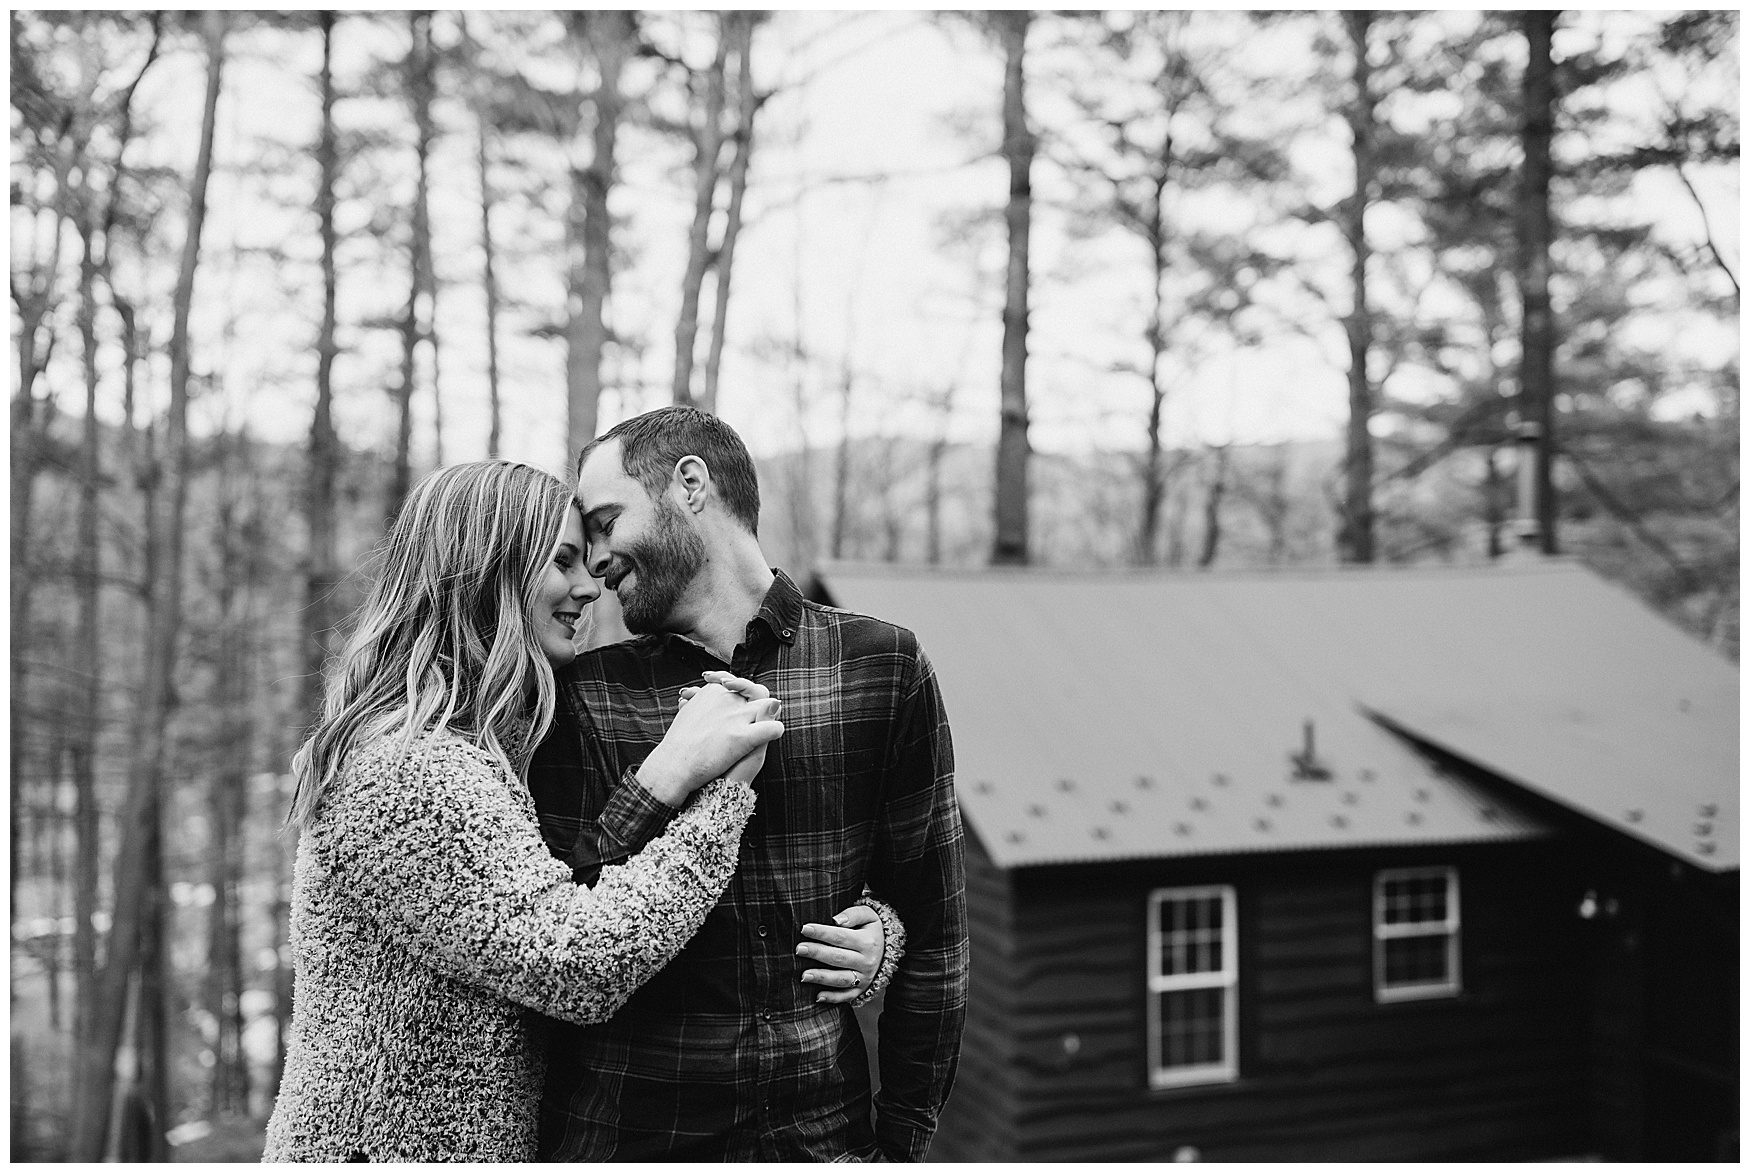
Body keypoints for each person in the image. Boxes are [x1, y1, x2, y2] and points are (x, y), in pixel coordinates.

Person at [261, 460, 893, 1162]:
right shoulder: (408, 767)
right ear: (487, 573)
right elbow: (577, 962)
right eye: (561, 560)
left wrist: (877, 931)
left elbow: (559, 888)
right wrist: (713, 788)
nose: (589, 584)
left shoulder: (481, 745)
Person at [530, 407, 968, 1162]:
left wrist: (899, 1145)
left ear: (690, 485)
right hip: (624, 1142)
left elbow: (936, 934)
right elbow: (551, 933)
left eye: (606, 521)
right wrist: (661, 780)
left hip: (824, 1143)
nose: (596, 563)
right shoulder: (584, 694)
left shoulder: (879, 666)